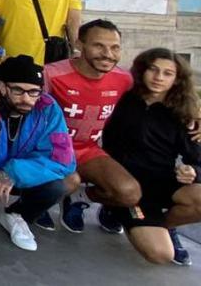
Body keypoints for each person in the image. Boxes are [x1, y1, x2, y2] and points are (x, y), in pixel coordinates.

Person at [0, 54, 74, 252]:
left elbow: (62, 159)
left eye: (34, 92)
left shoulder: (49, 111)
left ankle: (16, 214)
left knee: (58, 186)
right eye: (18, 90)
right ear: (2, 87)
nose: (26, 99)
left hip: (18, 177)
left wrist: (14, 172)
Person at [102, 48, 201, 266]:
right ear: (142, 70)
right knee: (160, 254)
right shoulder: (122, 98)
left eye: (168, 73)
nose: (158, 78)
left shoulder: (184, 112)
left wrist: (193, 171)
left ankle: (164, 226)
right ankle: (112, 208)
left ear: (177, 79)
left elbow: (197, 159)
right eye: (153, 70)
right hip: (123, 183)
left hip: (162, 180)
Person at [39, 19, 136, 234]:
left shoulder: (125, 79)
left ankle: (79, 198)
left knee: (129, 192)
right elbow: (19, 93)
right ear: (79, 45)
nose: (107, 54)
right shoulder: (51, 74)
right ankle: (37, 202)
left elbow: (164, 98)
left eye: (114, 47)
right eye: (98, 46)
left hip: (88, 151)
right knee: (66, 181)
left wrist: (195, 114)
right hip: (49, 149)